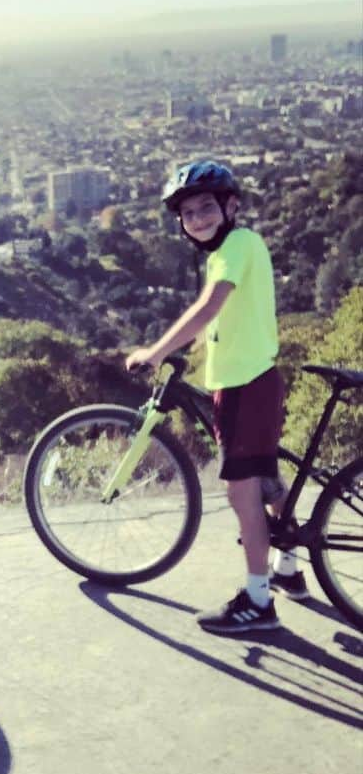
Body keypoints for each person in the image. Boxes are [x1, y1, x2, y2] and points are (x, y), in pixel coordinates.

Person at [126, 159, 303, 635]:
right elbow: (228, 319)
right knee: (266, 481)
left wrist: (158, 350)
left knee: (240, 489)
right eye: (188, 213)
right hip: (253, 379)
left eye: (206, 207)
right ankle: (288, 567)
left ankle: (258, 599)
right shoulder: (238, 248)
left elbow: (210, 307)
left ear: (231, 206)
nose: (198, 218)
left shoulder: (235, 247)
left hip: (245, 386)